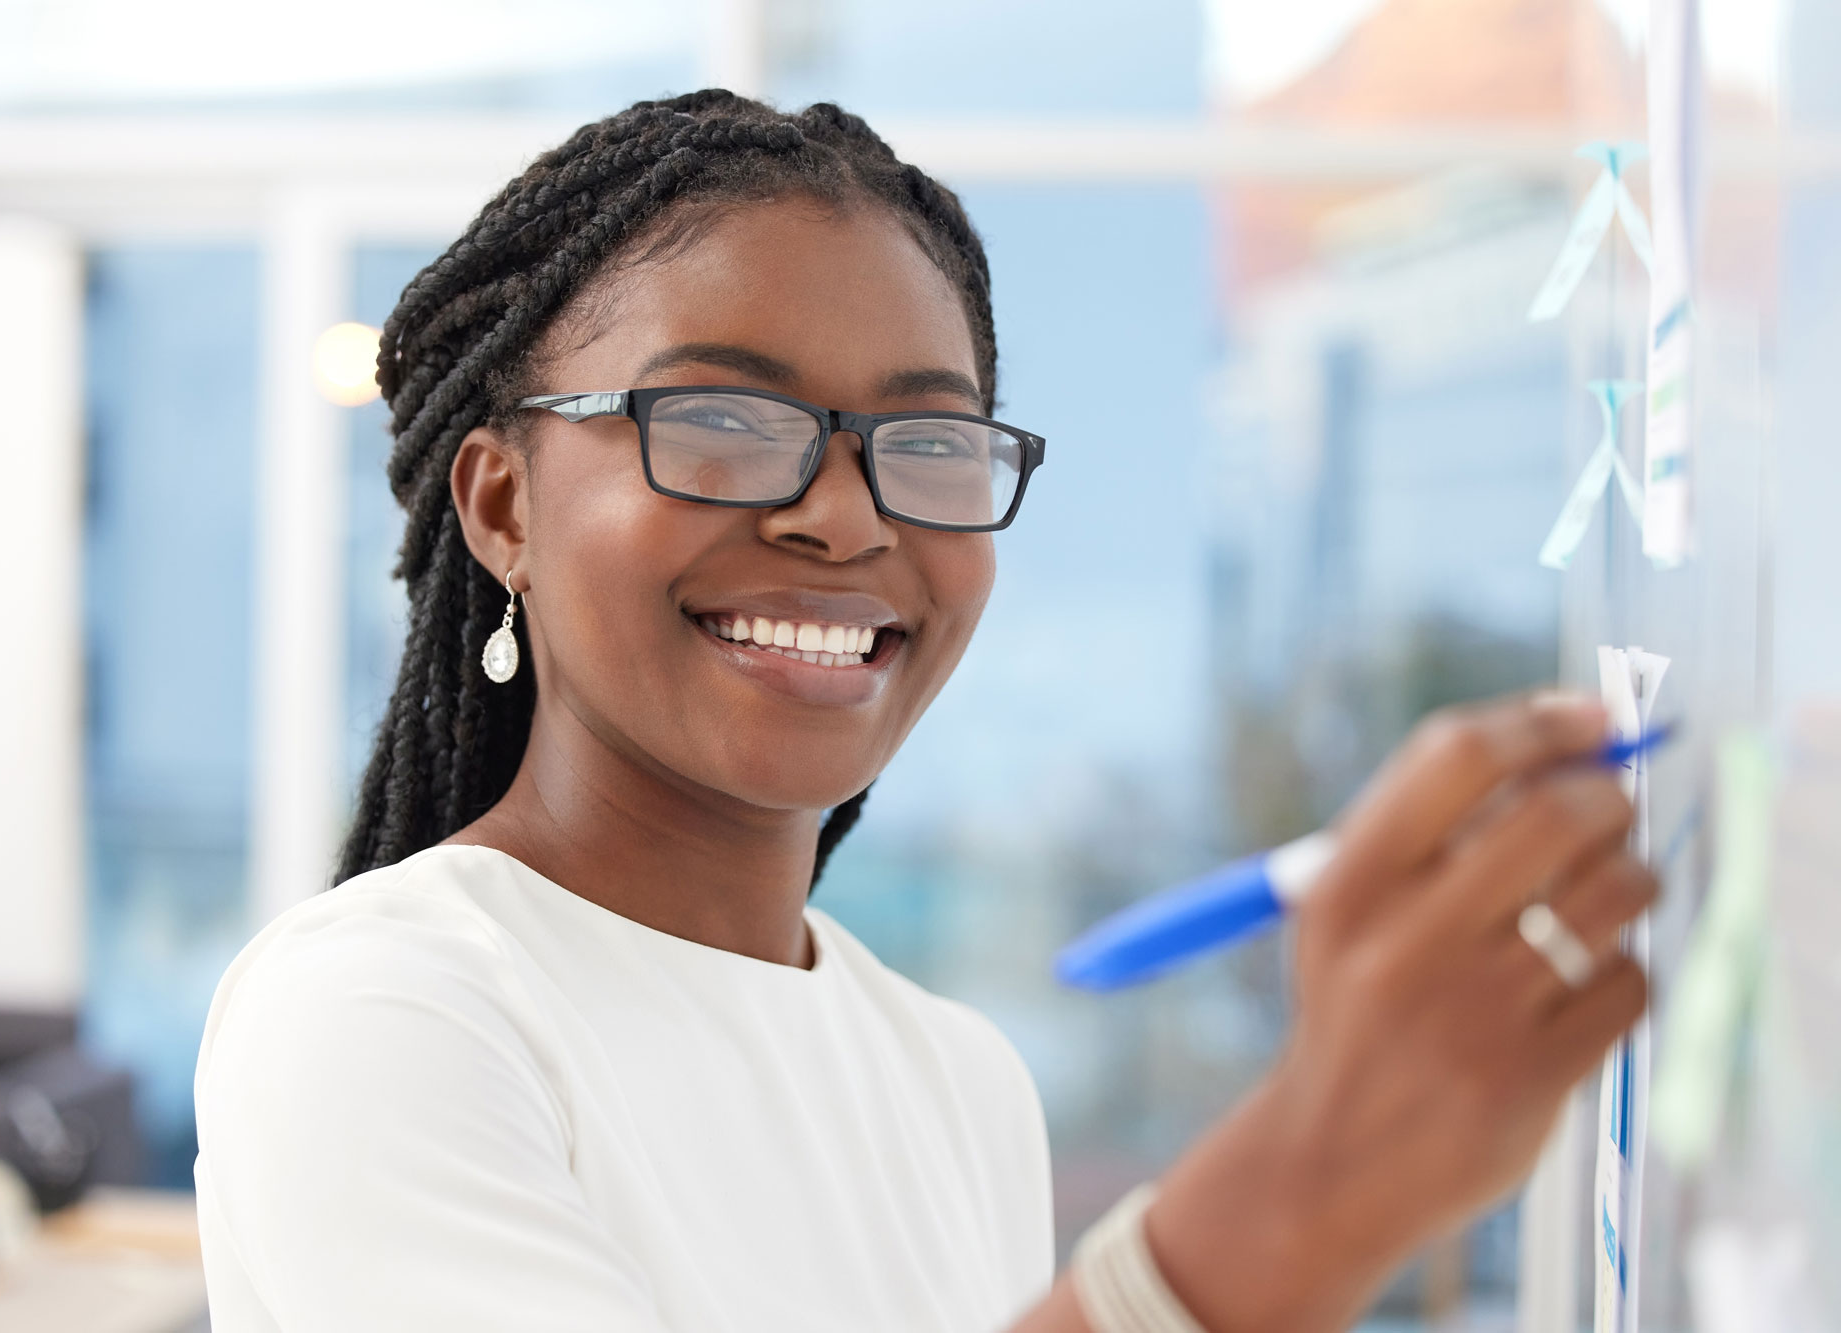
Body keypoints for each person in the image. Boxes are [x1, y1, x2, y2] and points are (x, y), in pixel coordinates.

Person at [192, 92, 1652, 1333]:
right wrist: (1286, 1206)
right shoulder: (382, 1008)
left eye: (927, 444)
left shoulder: (961, 1077)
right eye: (719, 421)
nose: (844, 516)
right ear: (503, 504)